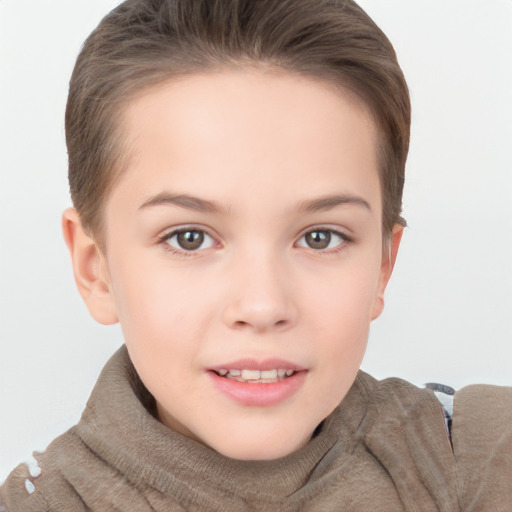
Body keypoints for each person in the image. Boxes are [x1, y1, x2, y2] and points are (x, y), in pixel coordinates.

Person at [1, 0, 511, 510]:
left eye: (320, 237)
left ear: (383, 266)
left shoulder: (478, 459)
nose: (263, 306)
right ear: (96, 269)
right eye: (190, 238)